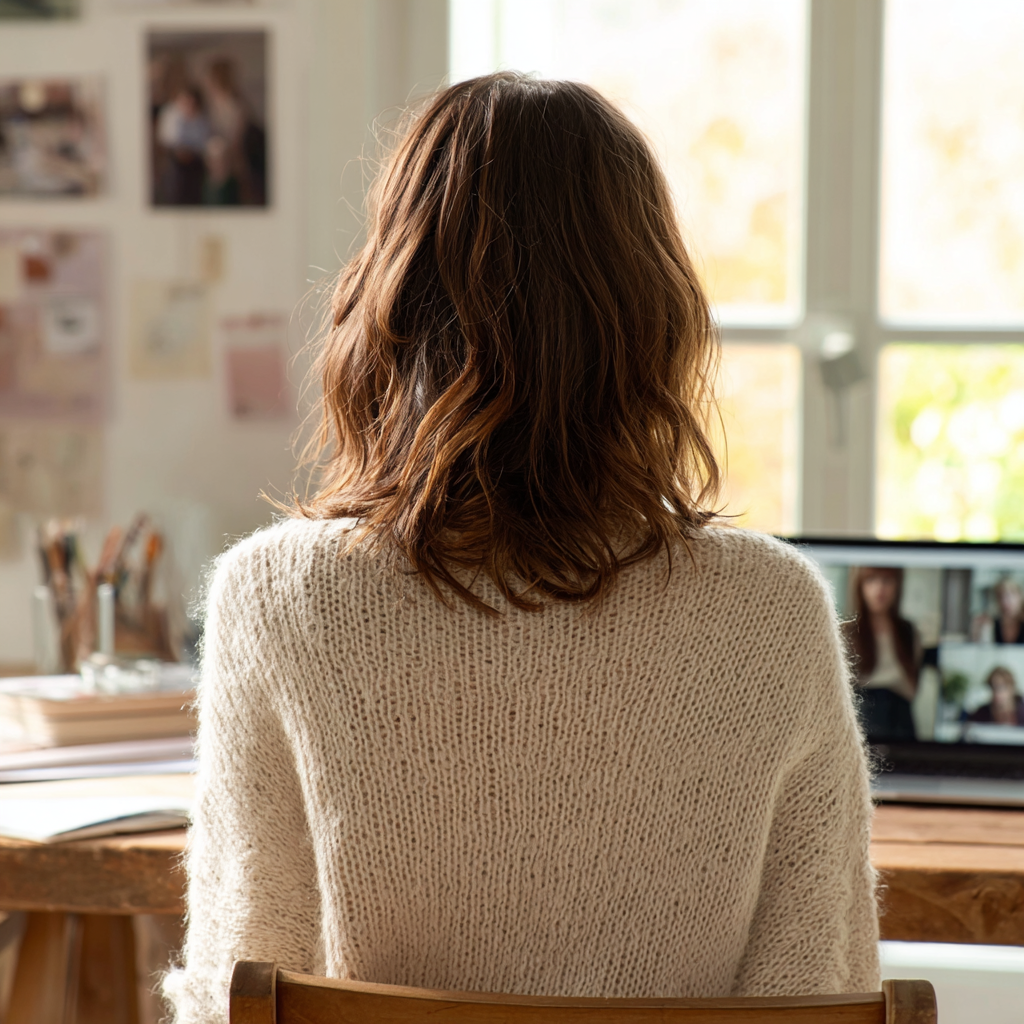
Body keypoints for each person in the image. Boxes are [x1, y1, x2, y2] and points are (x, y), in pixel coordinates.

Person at [163, 73, 878, 1022]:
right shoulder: (772, 610)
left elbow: (236, 993)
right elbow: (822, 993)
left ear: (391, 303)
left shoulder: (275, 599)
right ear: (651, 315)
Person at [844, 567, 920, 743]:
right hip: (862, 718)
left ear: (897, 585)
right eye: (871, 580)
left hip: (901, 720)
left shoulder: (907, 632)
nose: (880, 589)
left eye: (887, 580)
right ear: (860, 586)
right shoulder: (848, 632)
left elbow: (912, 687)